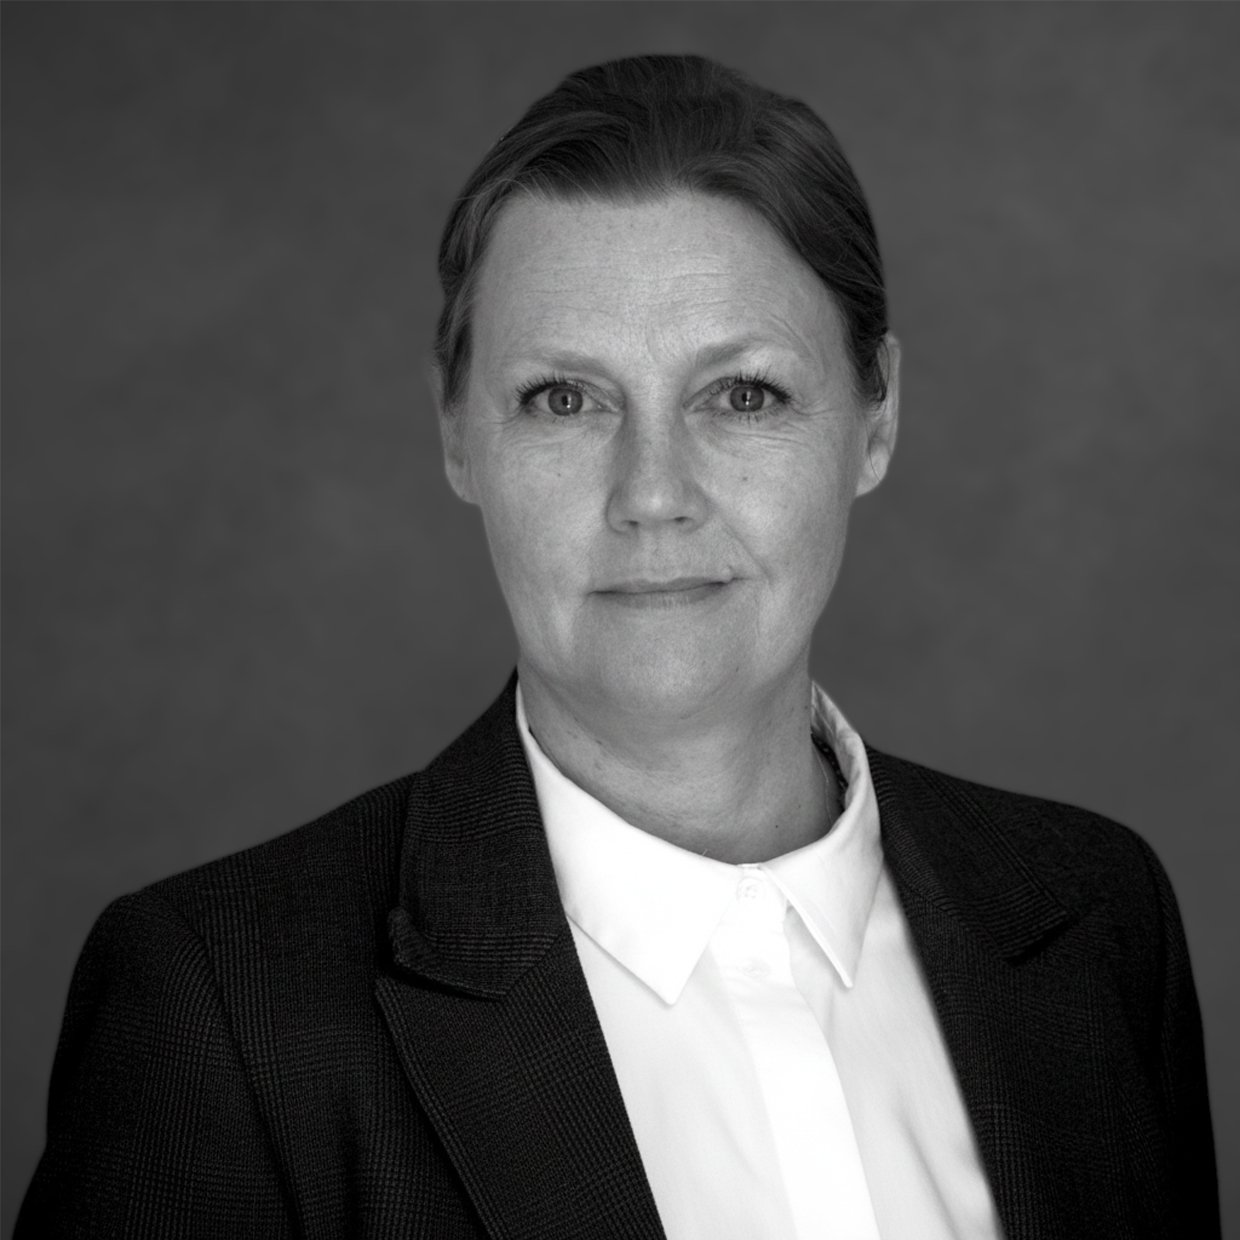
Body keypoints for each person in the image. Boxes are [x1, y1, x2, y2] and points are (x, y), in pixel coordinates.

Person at [17, 53, 1218, 1240]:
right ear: (457, 435)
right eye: (564, 398)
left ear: (876, 419)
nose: (653, 493)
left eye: (742, 394)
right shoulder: (220, 1012)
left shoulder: (1091, 921)